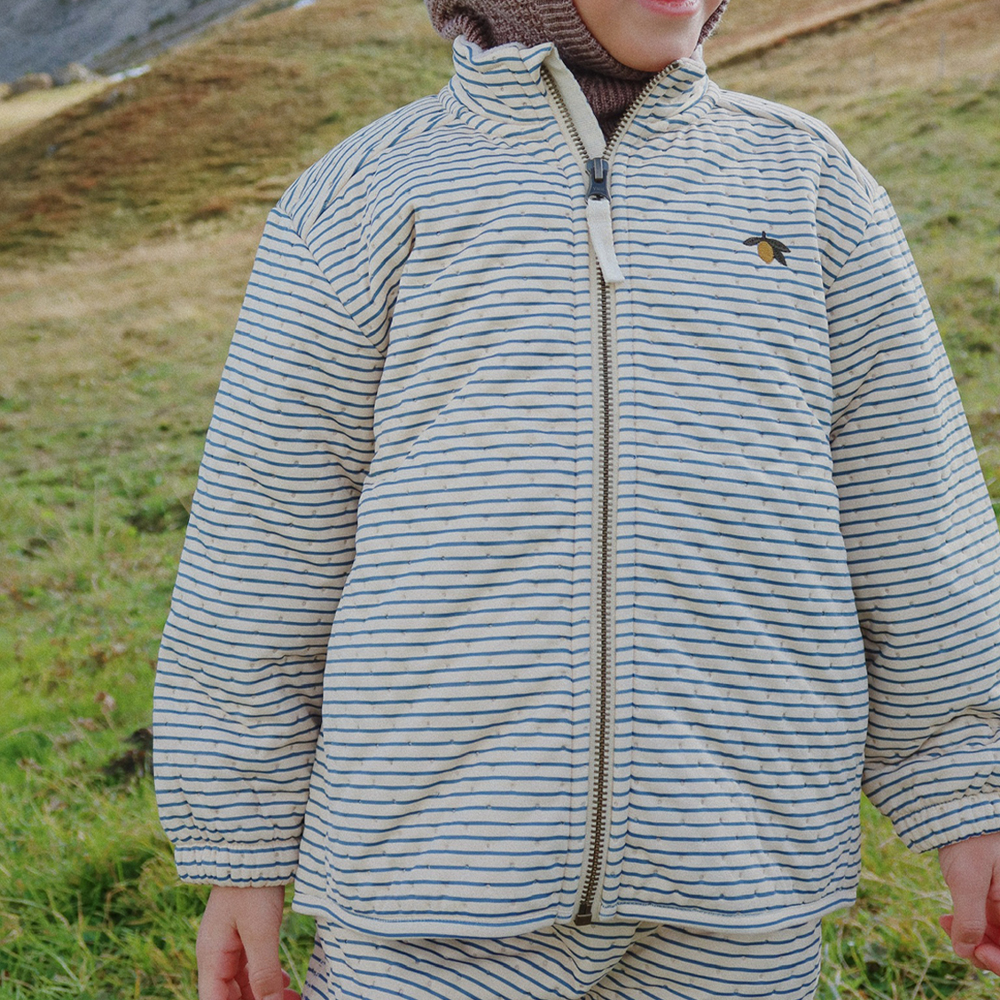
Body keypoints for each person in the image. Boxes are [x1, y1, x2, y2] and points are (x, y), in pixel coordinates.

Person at [152, 0, 1000, 997]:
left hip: (737, 874)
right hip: (433, 885)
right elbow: (262, 542)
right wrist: (242, 845)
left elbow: (920, 521)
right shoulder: (364, 194)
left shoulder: (812, 185)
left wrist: (973, 796)